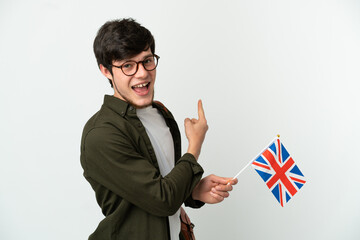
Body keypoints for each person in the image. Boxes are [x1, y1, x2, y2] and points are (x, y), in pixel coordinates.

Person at [80, 18, 237, 240]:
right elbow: (163, 199)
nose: (142, 73)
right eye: (127, 65)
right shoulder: (101, 134)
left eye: (147, 61)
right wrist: (194, 147)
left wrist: (193, 191)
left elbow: (160, 184)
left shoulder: (161, 114)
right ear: (106, 71)